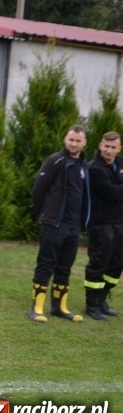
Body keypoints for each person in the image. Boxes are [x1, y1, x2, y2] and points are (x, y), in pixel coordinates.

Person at [29, 124, 90, 323]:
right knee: (46, 263)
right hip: (53, 223)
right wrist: (46, 214)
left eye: (78, 141)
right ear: (65, 139)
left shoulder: (83, 165)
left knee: (65, 266)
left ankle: (59, 307)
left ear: (84, 143)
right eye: (71, 140)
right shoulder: (55, 161)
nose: (74, 144)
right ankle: (37, 307)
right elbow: (39, 190)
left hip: (73, 226)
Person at [83, 131, 123, 320]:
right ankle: (91, 306)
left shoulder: (120, 164)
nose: (109, 150)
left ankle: (102, 300)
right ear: (100, 146)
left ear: (119, 148)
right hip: (101, 223)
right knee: (99, 262)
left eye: (113, 147)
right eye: (106, 146)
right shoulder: (94, 168)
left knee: (116, 264)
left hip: (119, 222)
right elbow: (109, 193)